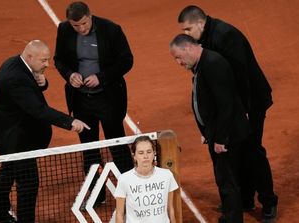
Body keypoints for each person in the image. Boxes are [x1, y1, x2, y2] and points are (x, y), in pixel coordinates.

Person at [178, 5, 278, 222]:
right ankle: (245, 199)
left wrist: (245, 113)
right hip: (234, 106)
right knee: (237, 152)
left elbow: (242, 78)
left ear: (200, 24)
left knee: (252, 152)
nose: (186, 35)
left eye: (188, 30)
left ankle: (269, 201)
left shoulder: (226, 37)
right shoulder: (205, 39)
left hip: (251, 104)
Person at [0, 40, 89, 223]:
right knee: (28, 184)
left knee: (8, 171)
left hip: (10, 133)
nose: (47, 64)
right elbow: (38, 110)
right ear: (30, 57)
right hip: (17, 140)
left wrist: (43, 83)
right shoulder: (16, 79)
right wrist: (70, 121)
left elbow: (32, 86)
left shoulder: (14, 62)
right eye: (44, 60)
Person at [53, 1, 134, 207]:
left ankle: (133, 193)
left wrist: (102, 77)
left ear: (90, 16)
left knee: (117, 146)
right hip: (81, 100)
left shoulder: (111, 30)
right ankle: (97, 195)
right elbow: (59, 60)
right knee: (89, 149)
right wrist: (69, 75)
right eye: (76, 26)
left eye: (83, 24)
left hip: (109, 99)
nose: (80, 29)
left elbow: (126, 60)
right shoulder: (64, 29)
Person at [169, 34, 250, 223]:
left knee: (226, 177)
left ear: (188, 48)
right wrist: (208, 132)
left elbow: (226, 105)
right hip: (218, 130)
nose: (178, 62)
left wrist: (221, 138)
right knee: (228, 175)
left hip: (227, 134)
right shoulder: (202, 64)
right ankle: (235, 208)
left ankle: (232, 218)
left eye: (178, 57)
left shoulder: (212, 64)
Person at [114, 136, 179, 223]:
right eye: (141, 153)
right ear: (134, 156)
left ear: (154, 153)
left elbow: (170, 208)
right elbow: (119, 213)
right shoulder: (124, 179)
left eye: (149, 152)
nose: (145, 156)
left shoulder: (167, 175)